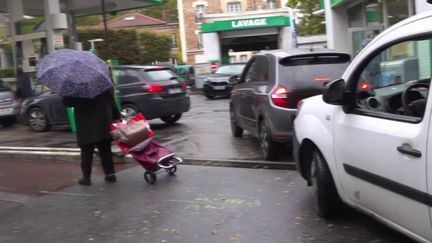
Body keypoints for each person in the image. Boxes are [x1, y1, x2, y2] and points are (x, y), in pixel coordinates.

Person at [62, 89, 121, 186]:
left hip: (85, 124)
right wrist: (116, 116)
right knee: (105, 150)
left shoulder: (74, 87)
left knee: (86, 152)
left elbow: (67, 103)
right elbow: (111, 101)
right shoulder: (100, 83)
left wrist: (65, 93)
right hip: (102, 122)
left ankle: (86, 178)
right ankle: (110, 174)